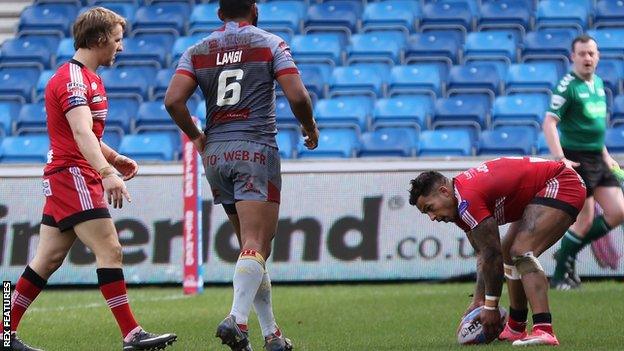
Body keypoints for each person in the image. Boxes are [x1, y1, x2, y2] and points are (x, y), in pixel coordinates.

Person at [9, 7, 177, 351]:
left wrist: (114, 158)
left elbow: (85, 134)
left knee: (48, 259)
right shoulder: (73, 80)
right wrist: (106, 172)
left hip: (68, 173)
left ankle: (2, 332)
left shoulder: (87, 77)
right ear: (100, 39)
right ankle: (132, 334)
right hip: (73, 175)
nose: (121, 47)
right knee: (110, 249)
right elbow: (81, 132)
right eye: (117, 40)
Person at [164, 0, 319, 350]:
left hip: (216, 155)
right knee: (257, 243)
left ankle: (273, 335)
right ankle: (237, 319)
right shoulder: (270, 43)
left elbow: (173, 100)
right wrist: (309, 126)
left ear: (220, 14)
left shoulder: (197, 50)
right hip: (255, 149)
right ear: (255, 9)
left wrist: (196, 136)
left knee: (253, 248)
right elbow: (297, 94)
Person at [409, 157, 586, 346]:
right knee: (509, 252)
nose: (432, 217)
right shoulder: (459, 205)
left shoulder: (468, 199)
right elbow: (484, 255)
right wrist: (479, 300)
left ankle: (544, 329)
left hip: (563, 182)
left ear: (444, 191)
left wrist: (491, 306)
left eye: (430, 208)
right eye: (426, 213)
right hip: (537, 193)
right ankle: (516, 327)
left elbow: (492, 256)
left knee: (522, 251)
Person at [543, 35, 624, 290]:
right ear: (573, 57)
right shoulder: (567, 86)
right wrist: (560, 159)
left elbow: (594, 127)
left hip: (597, 158)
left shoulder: (598, 83)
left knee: (618, 212)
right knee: (585, 221)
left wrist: (606, 155)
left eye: (591, 53)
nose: (587, 58)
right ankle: (558, 275)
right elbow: (549, 123)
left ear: (597, 56)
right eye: (582, 54)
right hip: (576, 159)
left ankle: (566, 254)